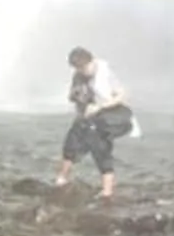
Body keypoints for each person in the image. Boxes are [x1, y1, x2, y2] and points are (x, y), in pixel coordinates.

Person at [55, 46, 134, 201]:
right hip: (88, 116)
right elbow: (75, 97)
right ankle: (61, 179)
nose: (83, 71)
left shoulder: (105, 73)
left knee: (99, 146)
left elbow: (122, 95)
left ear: (91, 61)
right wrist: (77, 100)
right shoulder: (78, 75)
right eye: (79, 69)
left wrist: (100, 106)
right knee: (71, 143)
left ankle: (107, 192)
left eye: (84, 67)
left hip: (111, 117)